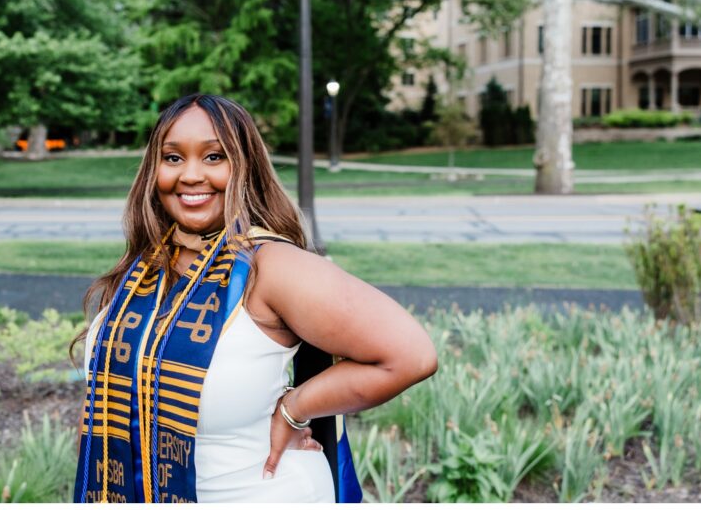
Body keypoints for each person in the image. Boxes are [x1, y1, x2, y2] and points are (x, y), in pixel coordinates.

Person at [72, 94, 438, 503]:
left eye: (214, 157)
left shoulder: (270, 266)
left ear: (244, 166)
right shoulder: (147, 267)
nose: (190, 175)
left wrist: (295, 407)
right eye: (173, 158)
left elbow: (411, 355)